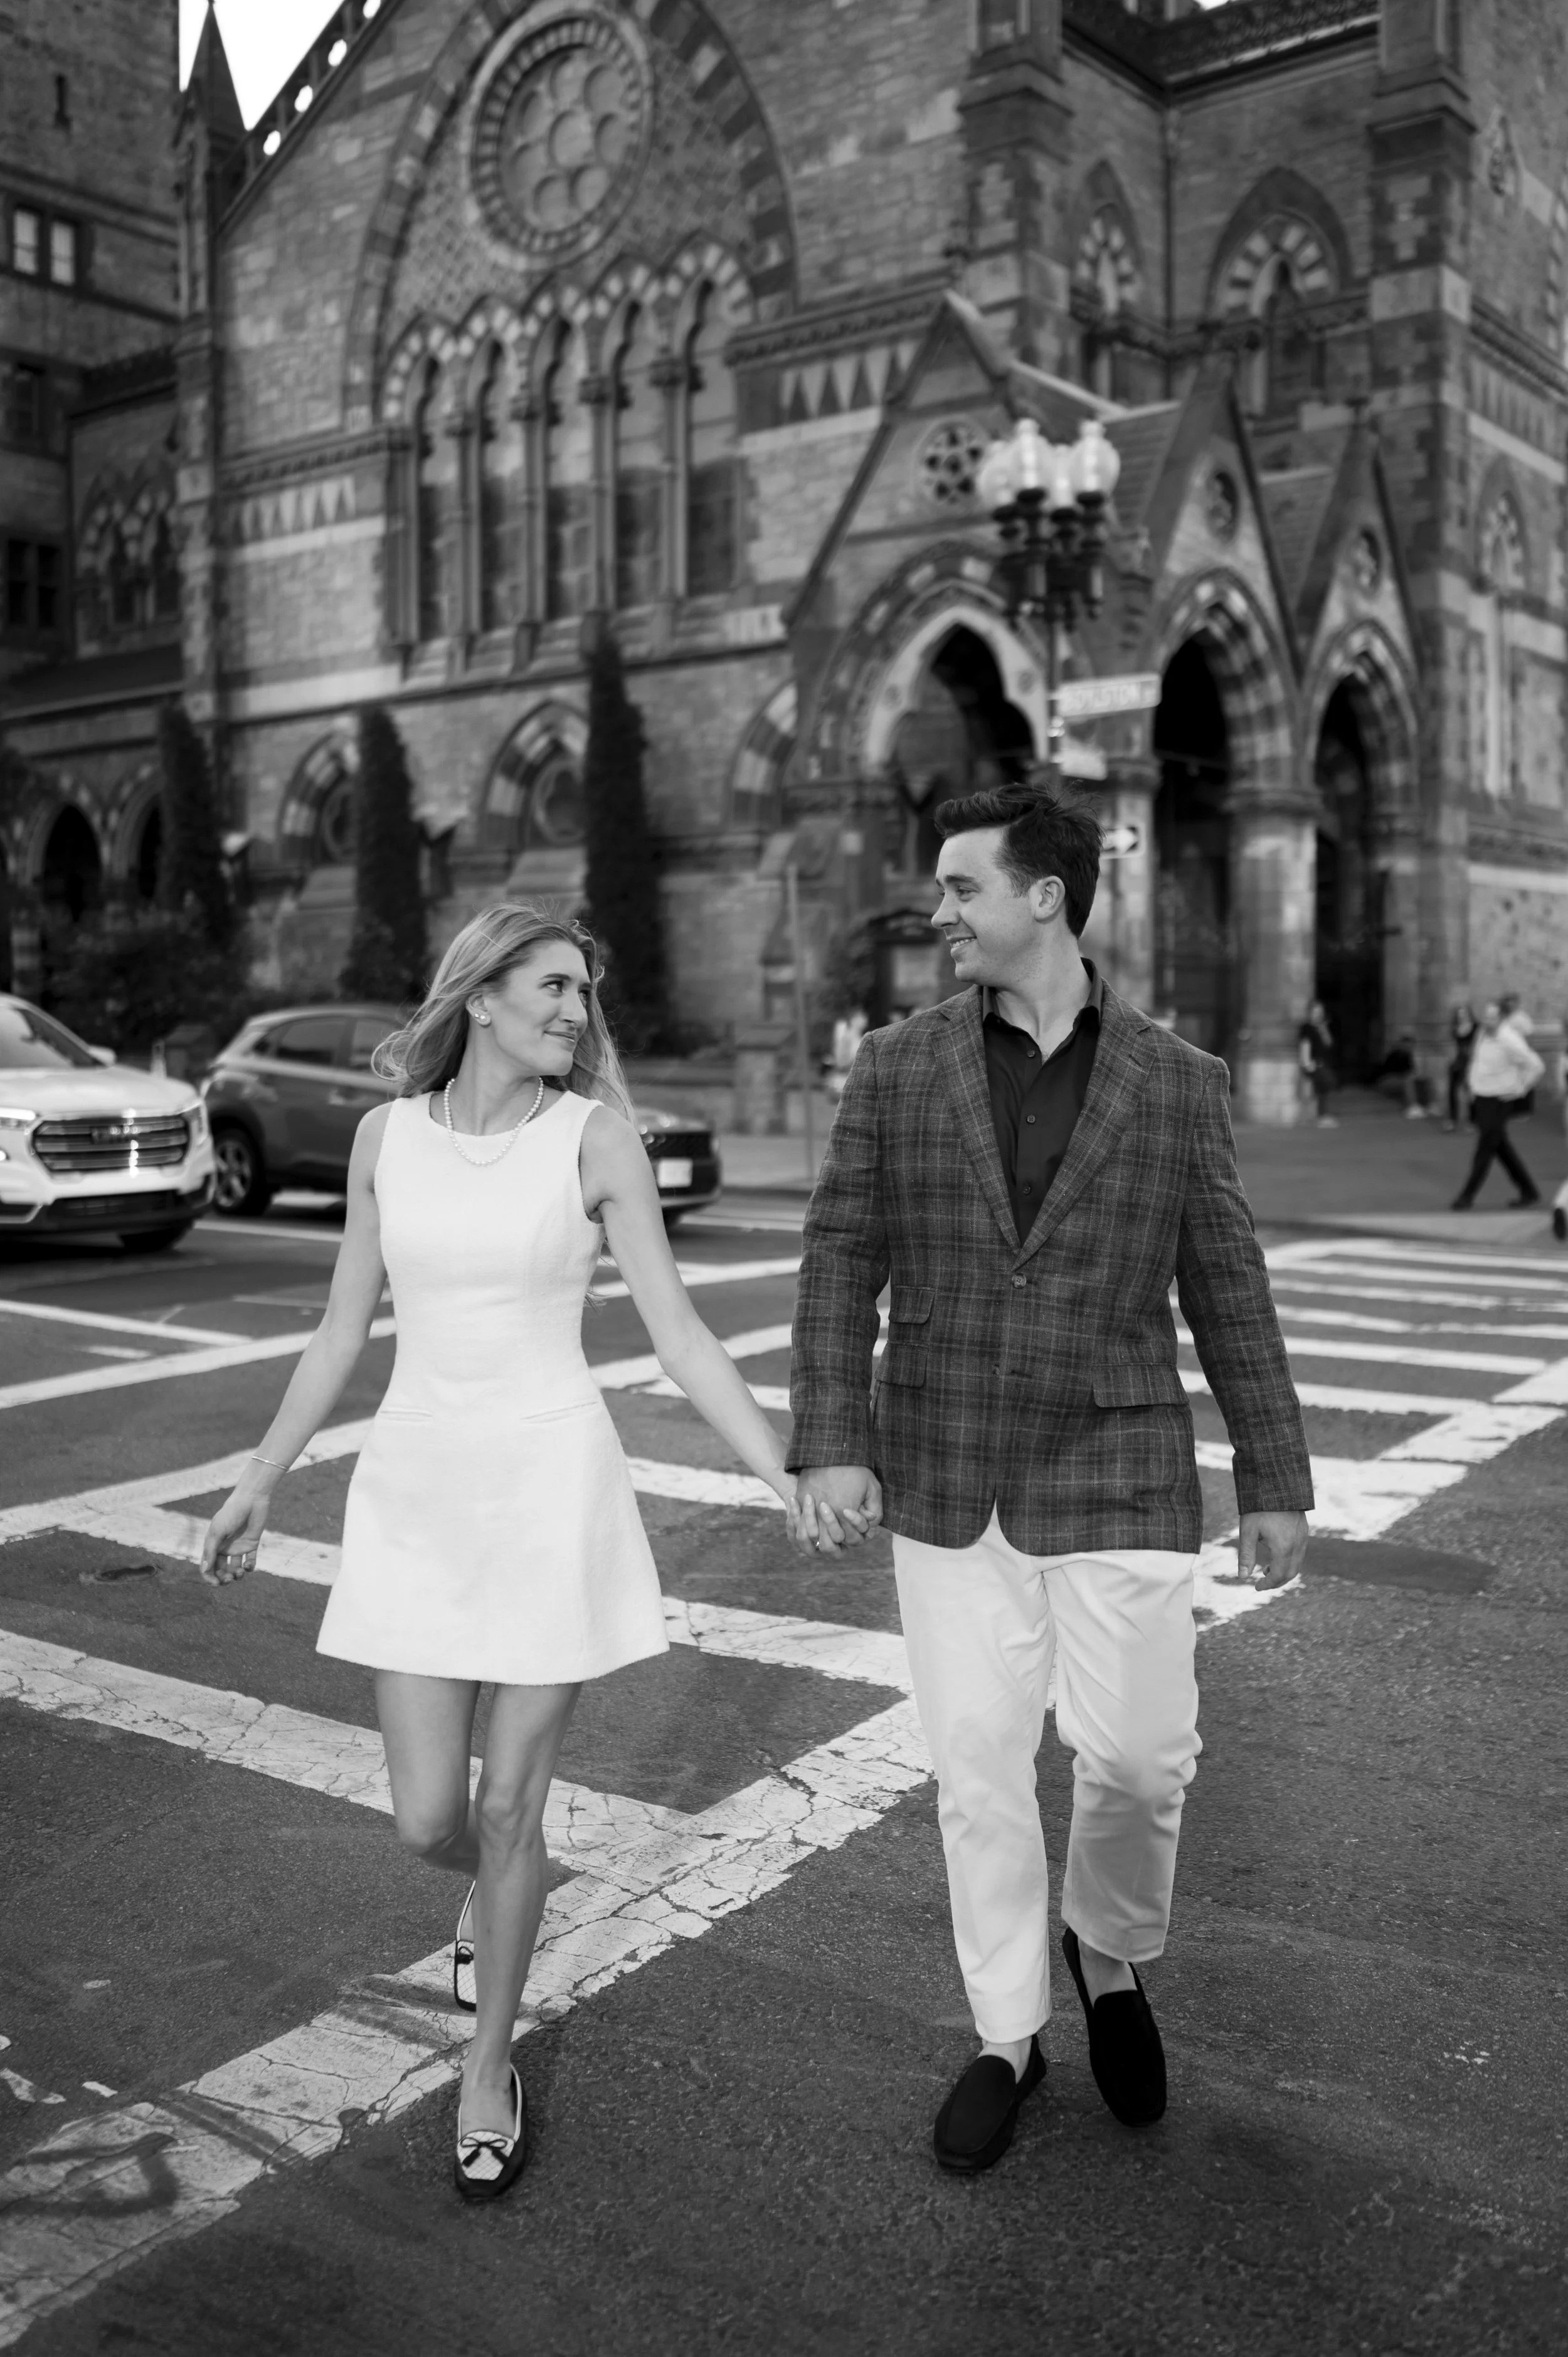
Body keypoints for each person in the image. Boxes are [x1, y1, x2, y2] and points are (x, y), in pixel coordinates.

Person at [200, 904, 797, 2203]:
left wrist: (782, 1471)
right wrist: (257, 1480)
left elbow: (682, 1336)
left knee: (512, 1805)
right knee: (431, 1819)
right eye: (552, 986)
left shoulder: (595, 1139)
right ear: (478, 995)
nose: (576, 1011)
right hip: (416, 1494)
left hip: (547, 1490)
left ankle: (487, 2066)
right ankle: (490, 1891)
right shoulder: (386, 1138)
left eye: (584, 991)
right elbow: (340, 1332)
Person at [788, 783, 1311, 2174]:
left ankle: (1109, 1949)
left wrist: (1273, 1472)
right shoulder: (897, 1065)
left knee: (1139, 1756)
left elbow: (1227, 1283)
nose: (938, 909)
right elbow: (841, 1253)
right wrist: (832, 1433)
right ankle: (1007, 2032)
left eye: (961, 885)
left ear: (1045, 896)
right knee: (977, 1767)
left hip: (1118, 1456)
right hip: (945, 1457)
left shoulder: (1177, 1080)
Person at [1450, 999, 1545, 1210]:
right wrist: (1472, 1087)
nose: (1488, 1021)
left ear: (1501, 1019)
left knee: (1485, 1148)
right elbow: (1477, 1061)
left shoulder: (1509, 1039)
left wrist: (1521, 1088)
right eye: (1486, 1017)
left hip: (1500, 1099)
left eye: (1493, 1018)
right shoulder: (1482, 1034)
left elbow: (1537, 1065)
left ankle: (1466, 1196)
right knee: (1500, 1146)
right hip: (1482, 1097)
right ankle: (1529, 1191)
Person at [1297, 999, 1337, 1126]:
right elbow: (1305, 1045)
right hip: (1312, 1064)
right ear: (1310, 1013)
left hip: (1323, 1063)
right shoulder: (1307, 1028)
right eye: (1316, 1012)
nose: (1318, 1015)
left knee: (1325, 1086)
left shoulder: (1321, 1028)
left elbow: (1329, 1044)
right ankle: (1322, 1116)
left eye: (1320, 1012)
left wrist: (1323, 1029)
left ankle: (1322, 1115)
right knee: (1325, 1082)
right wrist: (1307, 1063)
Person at [1372, 1032, 1428, 1118]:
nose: (1410, 1048)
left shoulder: (1408, 1056)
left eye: (1412, 1046)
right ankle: (1412, 1107)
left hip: (1399, 1080)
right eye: (1408, 1045)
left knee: (1425, 1081)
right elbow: (1399, 1072)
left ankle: (1428, 1105)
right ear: (1403, 1045)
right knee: (1408, 1081)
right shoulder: (1396, 1055)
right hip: (1386, 1081)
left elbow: (1412, 1072)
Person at [1444, 1002, 1477, 1131]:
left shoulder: (1476, 1027)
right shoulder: (1455, 1029)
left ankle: (1473, 1120)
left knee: (1469, 1092)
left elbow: (1478, 1045)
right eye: (1459, 1014)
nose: (1462, 1016)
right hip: (1457, 1061)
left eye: (1464, 1013)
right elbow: (1451, 1045)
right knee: (1452, 1090)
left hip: (1470, 1062)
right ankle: (1452, 1120)